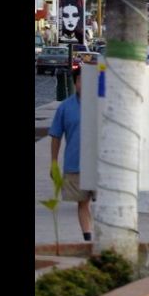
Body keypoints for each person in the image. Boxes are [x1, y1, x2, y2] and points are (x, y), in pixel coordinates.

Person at [49, 67, 94, 242]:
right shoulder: (65, 107)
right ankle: (88, 238)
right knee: (83, 203)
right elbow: (56, 136)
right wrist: (54, 163)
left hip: (99, 166)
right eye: (81, 80)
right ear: (75, 83)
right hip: (75, 164)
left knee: (105, 203)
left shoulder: (102, 104)